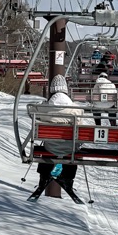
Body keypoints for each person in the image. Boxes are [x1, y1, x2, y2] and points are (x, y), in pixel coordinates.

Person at [28, 74, 84, 203]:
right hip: (70, 148)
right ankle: (68, 178)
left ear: (52, 90)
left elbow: (31, 111)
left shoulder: (44, 108)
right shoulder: (76, 109)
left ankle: (43, 178)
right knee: (74, 151)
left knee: (43, 149)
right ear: (66, 90)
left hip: (50, 147)